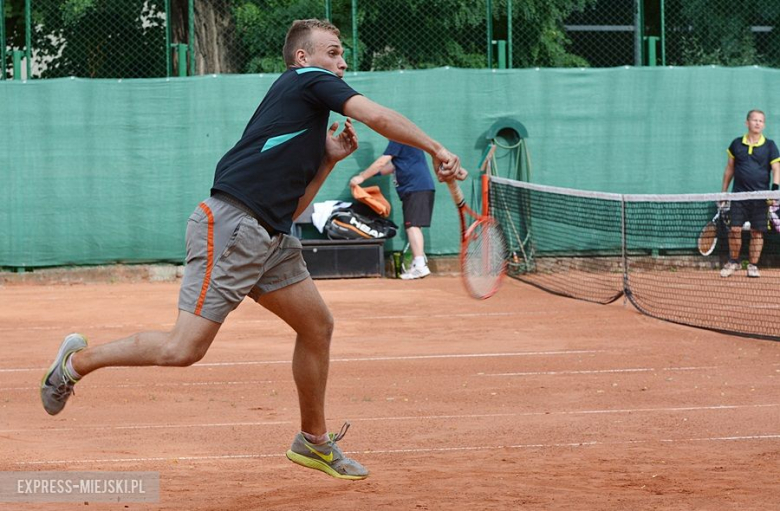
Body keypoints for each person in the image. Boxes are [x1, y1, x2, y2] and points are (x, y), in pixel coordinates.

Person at [40, 19, 466, 481]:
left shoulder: (302, 119)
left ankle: (313, 441)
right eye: (333, 52)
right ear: (303, 58)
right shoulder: (307, 81)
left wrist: (327, 160)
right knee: (182, 349)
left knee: (317, 325)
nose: (342, 62)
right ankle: (73, 365)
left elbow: (293, 207)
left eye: (342, 55)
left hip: (269, 236)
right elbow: (376, 115)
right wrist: (435, 147)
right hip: (233, 226)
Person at [350, 141, 436, 279]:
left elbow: (382, 162)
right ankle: (418, 263)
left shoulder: (398, 139)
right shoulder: (407, 143)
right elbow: (390, 168)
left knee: (412, 226)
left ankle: (420, 265)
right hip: (419, 188)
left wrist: (361, 177)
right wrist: (366, 175)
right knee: (414, 226)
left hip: (415, 188)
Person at [719, 109, 780, 278]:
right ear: (747, 123)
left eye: (761, 121)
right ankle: (734, 262)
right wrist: (723, 193)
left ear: (764, 124)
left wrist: (773, 192)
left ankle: (752, 266)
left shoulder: (770, 145)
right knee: (735, 229)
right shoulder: (736, 144)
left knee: (757, 232)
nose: (758, 123)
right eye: (754, 120)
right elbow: (729, 169)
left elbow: (776, 169)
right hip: (739, 196)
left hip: (760, 198)